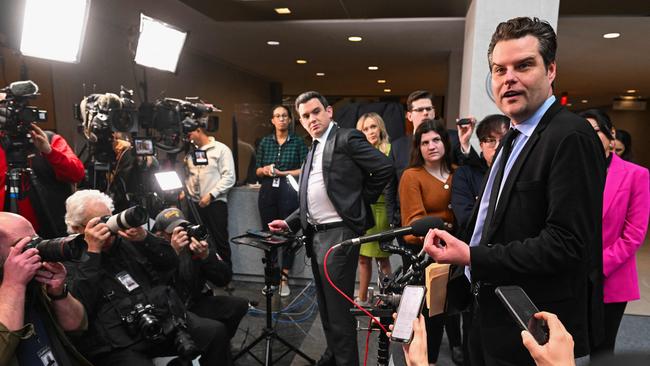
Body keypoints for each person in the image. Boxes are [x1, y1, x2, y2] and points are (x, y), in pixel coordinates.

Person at [423, 17, 606, 365]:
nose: (509, 78)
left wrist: (473, 257)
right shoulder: (514, 135)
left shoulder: (571, 136)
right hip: (491, 316)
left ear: (550, 70)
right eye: (499, 69)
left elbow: (566, 244)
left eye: (523, 65)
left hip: (537, 331)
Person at [268, 91, 393, 366]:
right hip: (316, 235)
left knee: (338, 312)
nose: (311, 119)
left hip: (338, 233)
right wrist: (289, 222)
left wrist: (358, 203)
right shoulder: (313, 146)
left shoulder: (346, 138)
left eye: (315, 112)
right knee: (326, 308)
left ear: (328, 111)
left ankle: (345, 360)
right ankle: (334, 356)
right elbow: (314, 194)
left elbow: (384, 168)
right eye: (305, 116)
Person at [64, 190, 230, 366]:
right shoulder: (69, 257)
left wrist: (145, 238)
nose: (106, 230)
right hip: (116, 340)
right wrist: (93, 253)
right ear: (77, 228)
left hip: (157, 319)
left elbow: (169, 261)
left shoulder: (126, 241)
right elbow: (80, 308)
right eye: (97, 224)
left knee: (215, 333)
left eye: (107, 220)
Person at [579, 109, 649, 357]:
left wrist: (597, 264)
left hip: (610, 275)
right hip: (570, 273)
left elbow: (634, 234)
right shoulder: (570, 171)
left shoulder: (636, 175)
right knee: (562, 344)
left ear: (611, 134)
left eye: (594, 130)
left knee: (602, 347)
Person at [399, 118, 456, 365]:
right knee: (426, 322)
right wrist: (447, 226)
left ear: (445, 142)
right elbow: (414, 225)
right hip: (423, 259)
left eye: (436, 139)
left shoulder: (458, 173)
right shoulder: (412, 176)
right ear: (418, 147)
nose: (431, 146)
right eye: (424, 142)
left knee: (446, 317)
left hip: (456, 257)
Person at [0, 212, 91, 366]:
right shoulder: (16, 283)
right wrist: (13, 285)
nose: (35, 251)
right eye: (23, 246)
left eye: (35, 240)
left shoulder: (34, 283)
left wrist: (59, 294)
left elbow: (78, 326)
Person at [152, 207, 249, 341]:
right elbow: (156, 287)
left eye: (184, 228)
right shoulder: (155, 251)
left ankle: (220, 345)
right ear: (160, 234)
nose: (183, 234)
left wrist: (206, 256)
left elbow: (223, 279)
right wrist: (173, 253)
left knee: (239, 305)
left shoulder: (197, 242)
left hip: (195, 303)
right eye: (175, 232)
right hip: (172, 311)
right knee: (215, 329)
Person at [0, 96, 85, 238]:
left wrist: (49, 151)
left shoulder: (48, 139)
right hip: (6, 236)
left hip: (50, 231)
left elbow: (77, 174)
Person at [255, 105, 308, 297]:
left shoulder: (298, 142)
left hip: (289, 188)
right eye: (277, 116)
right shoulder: (265, 142)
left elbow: (305, 168)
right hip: (268, 189)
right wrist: (266, 169)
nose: (282, 119)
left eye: (285, 116)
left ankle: (284, 278)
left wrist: (283, 172)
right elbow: (257, 170)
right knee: (268, 234)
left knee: (287, 233)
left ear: (290, 119)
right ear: (272, 120)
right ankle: (272, 278)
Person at [183, 122, 236, 267]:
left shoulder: (221, 149)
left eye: (190, 134)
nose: (188, 138)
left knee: (219, 241)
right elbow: (188, 176)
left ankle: (225, 275)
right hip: (194, 204)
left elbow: (229, 177)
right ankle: (200, 276)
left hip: (215, 203)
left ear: (199, 131)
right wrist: (186, 191)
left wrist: (211, 195)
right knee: (195, 241)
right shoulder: (190, 152)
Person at [354, 112, 393, 306]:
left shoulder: (389, 149)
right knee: (362, 258)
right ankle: (362, 298)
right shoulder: (360, 153)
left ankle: (388, 298)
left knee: (382, 257)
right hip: (364, 209)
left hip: (383, 210)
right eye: (365, 128)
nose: (370, 131)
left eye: (373, 126)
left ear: (380, 128)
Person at [452, 114, 509, 233]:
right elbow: (465, 218)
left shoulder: (523, 171)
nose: (498, 146)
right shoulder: (465, 174)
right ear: (481, 145)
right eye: (491, 140)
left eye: (504, 140)